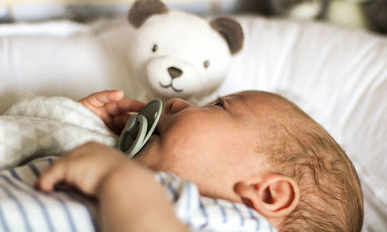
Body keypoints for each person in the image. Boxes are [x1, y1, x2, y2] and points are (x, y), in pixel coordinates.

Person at [36, 90, 364, 232]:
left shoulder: (237, 224)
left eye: (218, 106)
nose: (176, 102)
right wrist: (75, 127)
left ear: (267, 195)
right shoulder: (153, 191)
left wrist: (118, 177)